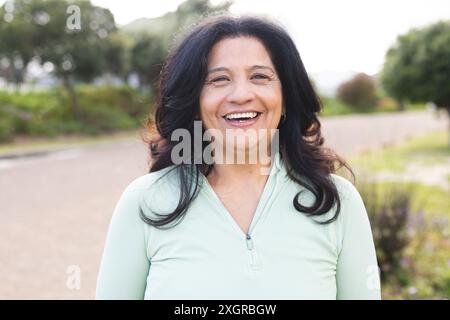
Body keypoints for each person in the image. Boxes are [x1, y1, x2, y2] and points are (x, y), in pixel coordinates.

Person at [95, 14, 381, 300]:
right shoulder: (144, 202)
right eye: (219, 79)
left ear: (285, 99)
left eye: (259, 76)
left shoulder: (338, 202)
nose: (241, 94)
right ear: (195, 102)